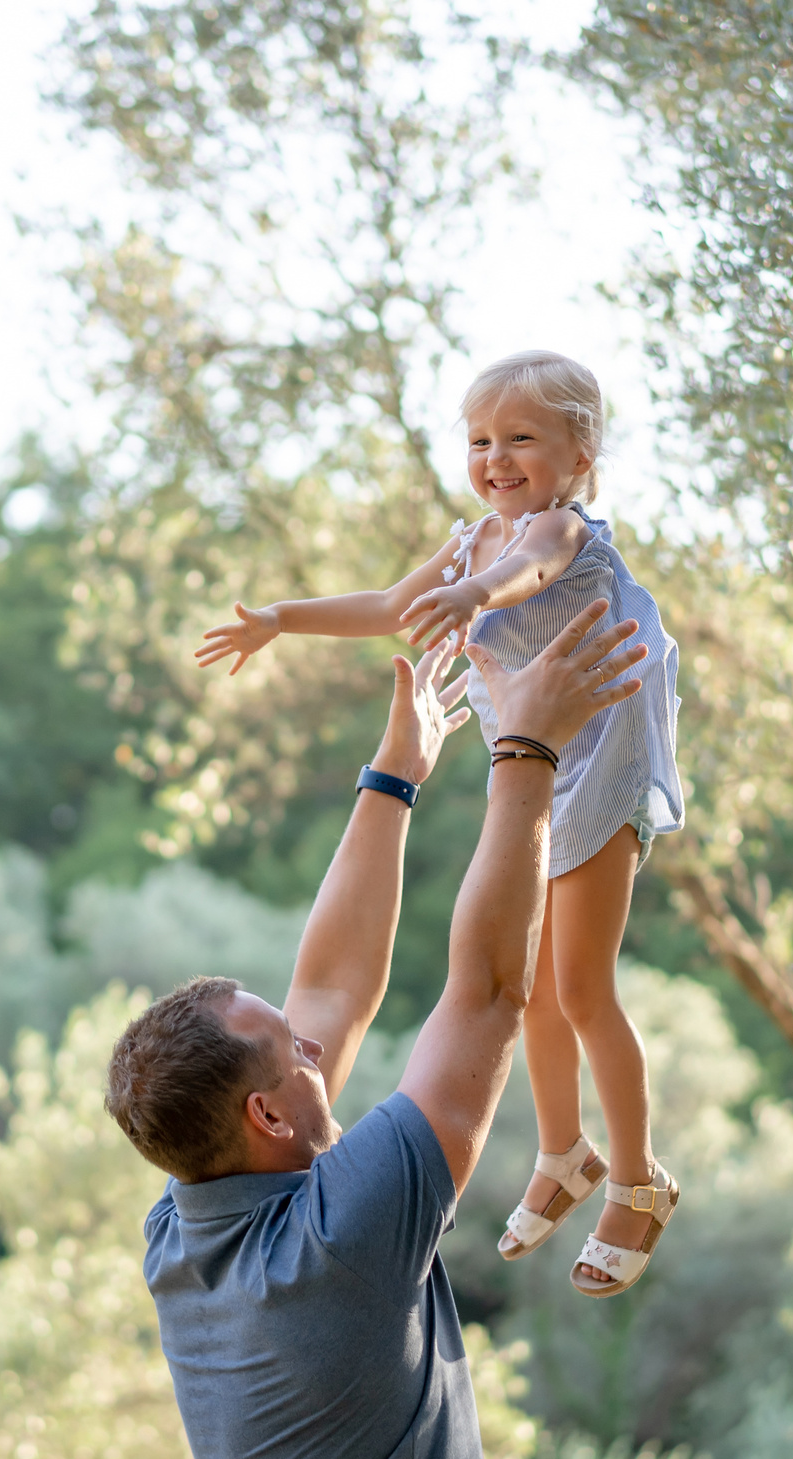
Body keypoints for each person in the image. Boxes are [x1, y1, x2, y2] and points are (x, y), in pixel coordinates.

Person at [107, 602, 647, 1459]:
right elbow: (491, 994)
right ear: (265, 1117)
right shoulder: (342, 1240)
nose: (316, 1048)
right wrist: (526, 753)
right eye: (293, 1055)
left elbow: (330, 992)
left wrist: (393, 778)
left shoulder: (186, 1223)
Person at [192, 350, 686, 1297]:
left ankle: (638, 1178)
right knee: (533, 989)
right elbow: (389, 606)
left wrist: (472, 595)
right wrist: (282, 619)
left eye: (521, 439)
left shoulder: (559, 529)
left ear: (581, 453)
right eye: (479, 441)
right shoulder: (470, 542)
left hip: (599, 765)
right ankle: (563, 1151)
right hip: (538, 772)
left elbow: (533, 567)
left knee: (582, 990)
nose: (496, 458)